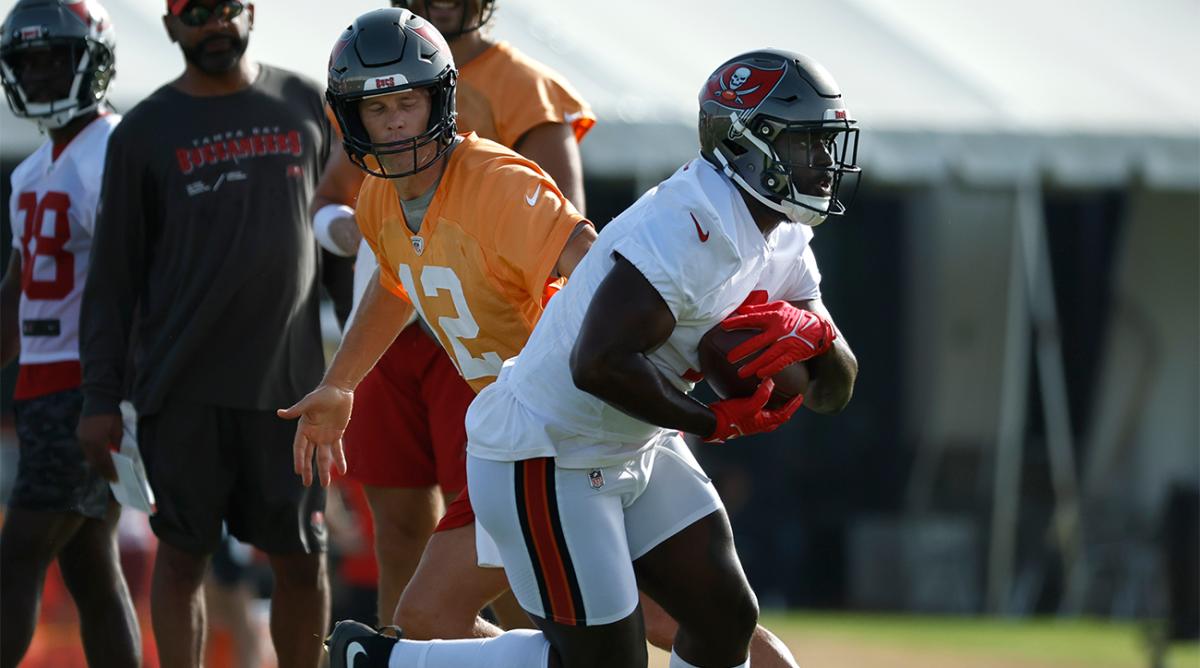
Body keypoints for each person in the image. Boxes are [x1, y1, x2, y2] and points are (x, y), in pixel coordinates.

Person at [321, 47, 861, 668]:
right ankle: (393, 663)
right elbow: (596, 362)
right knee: (608, 662)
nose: (823, 164)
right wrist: (712, 423)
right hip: (549, 449)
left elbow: (834, 387)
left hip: (633, 438)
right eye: (806, 144)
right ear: (749, 144)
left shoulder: (784, 232)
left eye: (825, 144)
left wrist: (820, 341)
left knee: (725, 618)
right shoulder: (684, 227)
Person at [309, 0, 593, 634]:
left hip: (545, 401)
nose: (396, 124)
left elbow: (583, 257)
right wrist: (340, 380)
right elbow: (388, 273)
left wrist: (638, 359)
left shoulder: (504, 141)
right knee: (419, 588)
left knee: (641, 611)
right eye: (376, 110)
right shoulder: (381, 191)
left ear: (442, 100)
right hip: (473, 391)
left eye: (407, 103)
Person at [75, 1, 334, 665]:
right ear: (169, 26)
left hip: (290, 390)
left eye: (224, 8)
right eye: (194, 13)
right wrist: (100, 397)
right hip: (180, 388)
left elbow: (346, 237)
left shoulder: (306, 100)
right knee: (183, 558)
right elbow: (112, 277)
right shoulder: (143, 130)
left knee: (302, 560)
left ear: (249, 12)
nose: (212, 24)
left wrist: (349, 376)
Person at [0, 2, 140, 666]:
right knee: (90, 570)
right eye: (28, 63)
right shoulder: (32, 171)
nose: (41, 76)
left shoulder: (111, 149)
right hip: (42, 387)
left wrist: (115, 392)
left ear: (92, 62)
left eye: (55, 59)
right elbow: (18, 291)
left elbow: (138, 279)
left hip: (86, 387)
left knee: (17, 554)